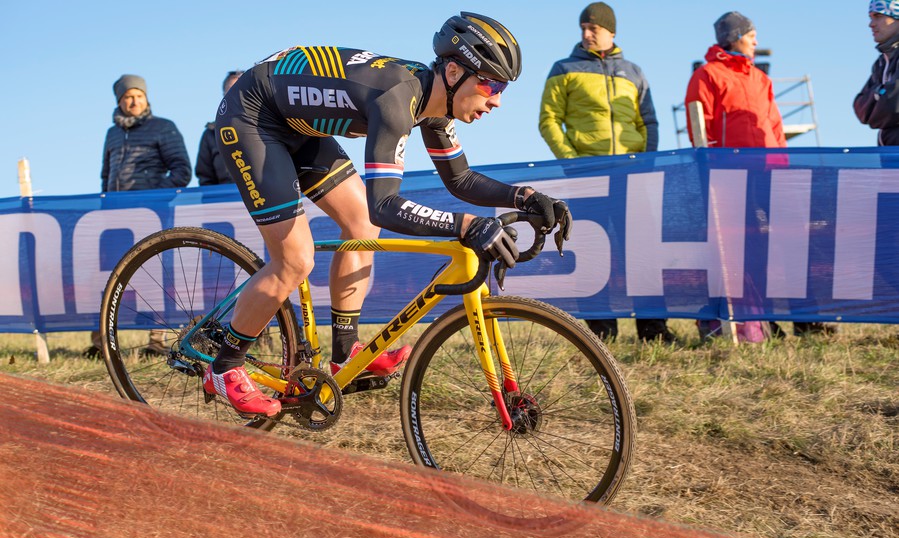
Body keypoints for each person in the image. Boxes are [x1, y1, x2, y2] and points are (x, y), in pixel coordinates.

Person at [205, 12, 573, 417]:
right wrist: (466, 225)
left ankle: (345, 357)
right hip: (253, 115)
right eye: (490, 83)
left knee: (360, 224)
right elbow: (387, 204)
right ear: (453, 72)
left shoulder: (433, 102)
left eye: (501, 87)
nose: (496, 99)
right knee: (295, 258)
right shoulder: (398, 99)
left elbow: (461, 179)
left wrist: (525, 197)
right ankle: (224, 368)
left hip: (298, 124)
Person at [685, 12, 831, 339]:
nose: (756, 41)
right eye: (752, 35)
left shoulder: (759, 79)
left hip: (771, 172)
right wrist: (711, 171)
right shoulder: (708, 75)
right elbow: (700, 128)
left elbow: (775, 127)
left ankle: (808, 320)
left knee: (791, 242)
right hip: (731, 174)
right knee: (745, 247)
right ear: (735, 36)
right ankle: (755, 320)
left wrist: (784, 167)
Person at [538, 2, 673, 343]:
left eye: (593, 28)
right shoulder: (562, 68)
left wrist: (645, 162)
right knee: (594, 252)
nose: (586, 33)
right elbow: (549, 120)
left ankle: (653, 329)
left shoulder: (635, 71)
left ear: (611, 32)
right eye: (583, 27)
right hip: (588, 175)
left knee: (642, 251)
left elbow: (650, 122)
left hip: (632, 174)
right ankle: (601, 331)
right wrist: (572, 161)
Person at [84, 74, 192, 358]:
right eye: (128, 97)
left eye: (139, 96)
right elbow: (105, 175)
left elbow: (182, 170)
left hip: (151, 214)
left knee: (155, 274)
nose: (134, 101)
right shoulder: (112, 133)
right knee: (107, 275)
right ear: (119, 101)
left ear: (146, 98)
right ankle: (101, 342)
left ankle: (156, 341)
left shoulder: (164, 128)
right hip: (115, 218)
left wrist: (153, 195)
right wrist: (105, 205)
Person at [854, 1, 899, 146]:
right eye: (871, 17)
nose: (871, 24)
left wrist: (876, 96)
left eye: (878, 16)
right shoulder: (881, 63)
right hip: (889, 161)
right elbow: (860, 108)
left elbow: (894, 105)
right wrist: (881, 93)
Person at [196, 70, 243, 185]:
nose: (236, 96)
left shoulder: (268, 127)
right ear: (224, 96)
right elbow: (205, 178)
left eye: (241, 90)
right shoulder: (211, 135)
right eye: (231, 91)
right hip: (226, 201)